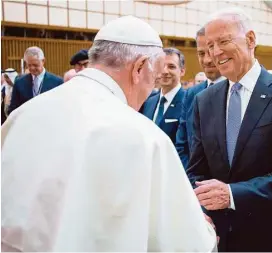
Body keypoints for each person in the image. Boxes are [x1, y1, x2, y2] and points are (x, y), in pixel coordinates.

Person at [1, 15, 216, 252]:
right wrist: (206, 231)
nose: (151, 90)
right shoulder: (143, 138)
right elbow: (187, 244)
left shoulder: (23, 115)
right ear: (139, 68)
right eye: (152, 80)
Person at [187, 8, 272, 252]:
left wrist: (233, 195)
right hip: (219, 236)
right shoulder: (204, 100)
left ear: (251, 39)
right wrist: (200, 209)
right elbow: (197, 170)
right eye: (210, 45)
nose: (215, 53)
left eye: (223, 41)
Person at [175, 26, 223, 169]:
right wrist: (192, 182)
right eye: (201, 53)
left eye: (211, 52)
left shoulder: (237, 92)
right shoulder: (191, 94)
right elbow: (182, 144)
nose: (207, 60)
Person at [141, 47, 186, 144]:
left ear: (182, 71)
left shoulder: (188, 102)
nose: (165, 71)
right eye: (161, 66)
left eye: (171, 66)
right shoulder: (148, 102)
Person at [8, 47, 63, 115]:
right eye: (29, 65)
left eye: (35, 65)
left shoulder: (57, 82)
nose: (32, 68)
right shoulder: (19, 83)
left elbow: (60, 108)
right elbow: (13, 110)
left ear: (43, 61)